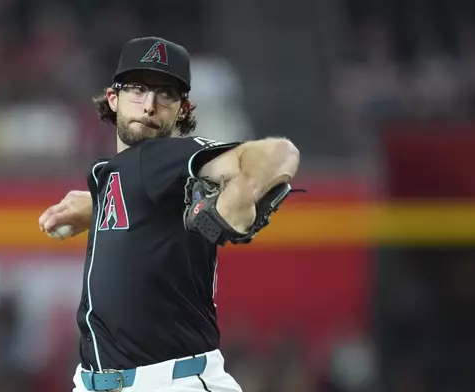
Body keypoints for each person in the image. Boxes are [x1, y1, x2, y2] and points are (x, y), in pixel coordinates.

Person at [38, 37, 300, 392]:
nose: (149, 105)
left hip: (170, 382)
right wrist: (95, 205)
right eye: (137, 89)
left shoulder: (166, 157)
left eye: (166, 94)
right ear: (113, 98)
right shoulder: (121, 173)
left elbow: (280, 152)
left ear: (183, 110)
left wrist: (242, 192)